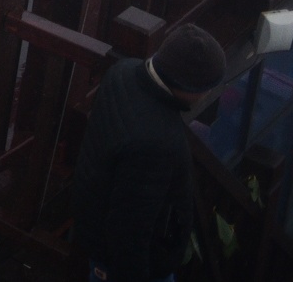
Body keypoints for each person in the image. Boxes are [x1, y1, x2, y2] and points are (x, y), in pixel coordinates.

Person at [72, 23, 225, 282]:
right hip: (126, 267)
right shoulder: (156, 143)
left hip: (94, 228)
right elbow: (130, 232)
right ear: (186, 87)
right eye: (207, 87)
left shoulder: (123, 71)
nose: (208, 93)